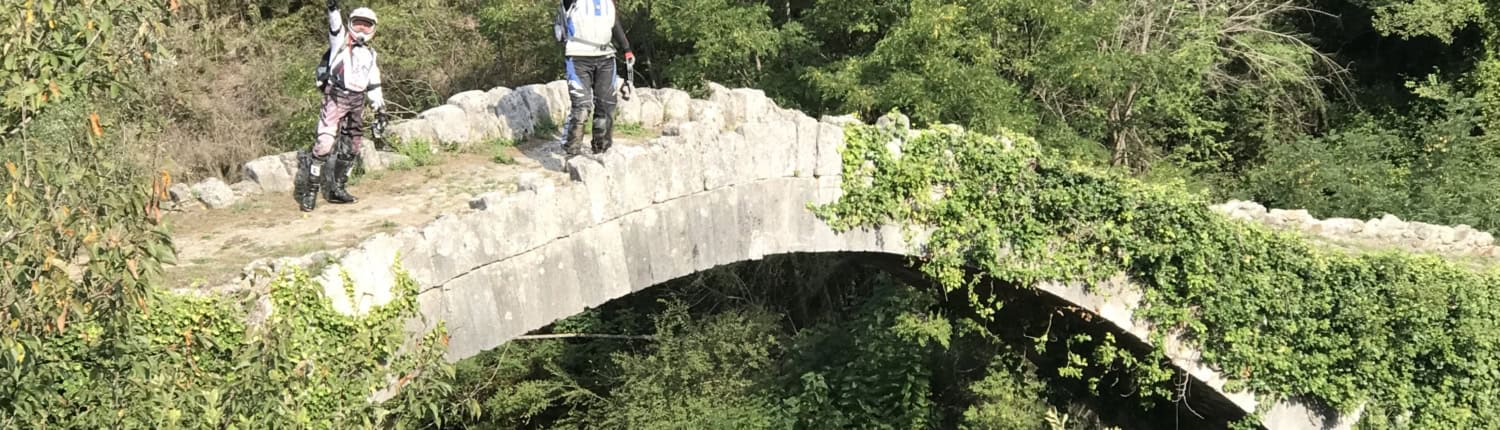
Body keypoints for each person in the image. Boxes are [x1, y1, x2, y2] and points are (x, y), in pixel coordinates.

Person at [297, 0, 385, 212]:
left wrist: (380, 109)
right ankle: (310, 192)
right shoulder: (340, 42)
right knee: (324, 144)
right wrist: (333, 8)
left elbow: (373, 83)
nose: (362, 29)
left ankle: (337, 188)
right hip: (336, 97)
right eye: (358, 24)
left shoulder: (371, 54)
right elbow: (335, 25)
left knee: (352, 147)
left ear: (373, 28)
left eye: (367, 25)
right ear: (350, 24)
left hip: (357, 100)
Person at [554, 0, 634, 158]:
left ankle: (601, 150)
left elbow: (614, 23)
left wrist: (627, 49)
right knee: (582, 108)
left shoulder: (608, 2)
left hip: (606, 57)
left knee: (606, 106)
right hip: (578, 58)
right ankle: (571, 152)